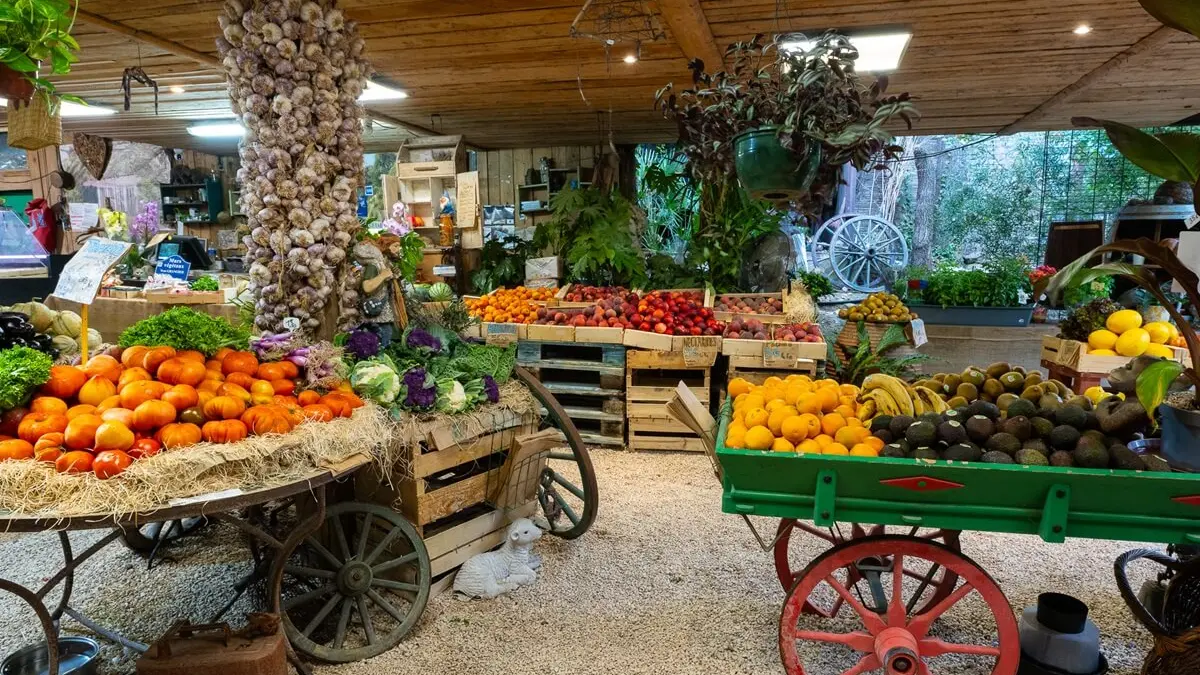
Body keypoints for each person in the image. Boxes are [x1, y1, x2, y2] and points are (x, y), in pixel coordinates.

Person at [352, 234, 403, 346]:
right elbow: (367, 287)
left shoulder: (384, 263)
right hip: (376, 317)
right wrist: (382, 276)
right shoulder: (373, 266)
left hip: (382, 314)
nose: (398, 249)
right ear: (386, 246)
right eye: (395, 246)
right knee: (382, 343)